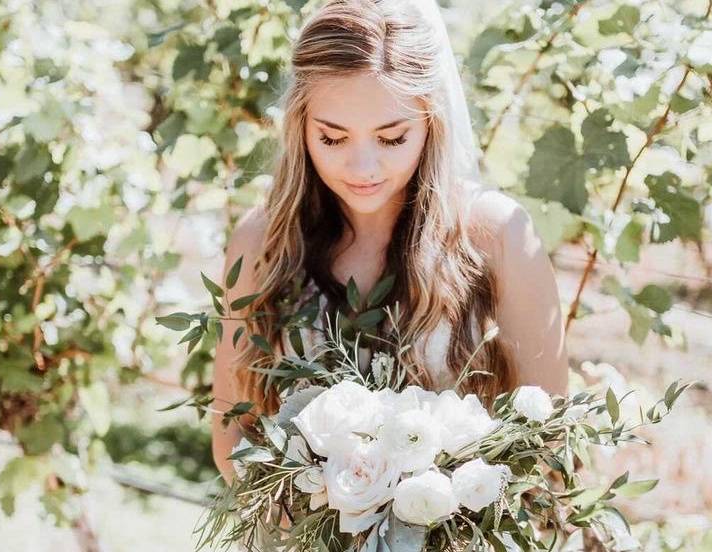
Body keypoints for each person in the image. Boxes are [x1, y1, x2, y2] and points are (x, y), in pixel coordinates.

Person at [211, 0, 568, 487]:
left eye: (392, 138)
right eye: (333, 139)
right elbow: (233, 430)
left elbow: (546, 441)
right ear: (301, 126)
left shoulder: (499, 237)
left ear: (430, 121)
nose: (363, 169)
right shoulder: (263, 241)